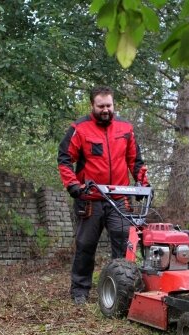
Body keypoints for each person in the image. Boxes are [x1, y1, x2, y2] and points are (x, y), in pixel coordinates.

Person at [57, 86, 149, 305]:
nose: (106, 110)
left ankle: (122, 291)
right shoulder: (79, 129)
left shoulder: (126, 128)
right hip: (91, 199)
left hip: (119, 198)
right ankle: (80, 292)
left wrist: (142, 183)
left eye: (109, 105)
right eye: (101, 106)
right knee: (86, 246)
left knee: (124, 247)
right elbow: (64, 158)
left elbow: (135, 160)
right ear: (93, 105)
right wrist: (73, 185)